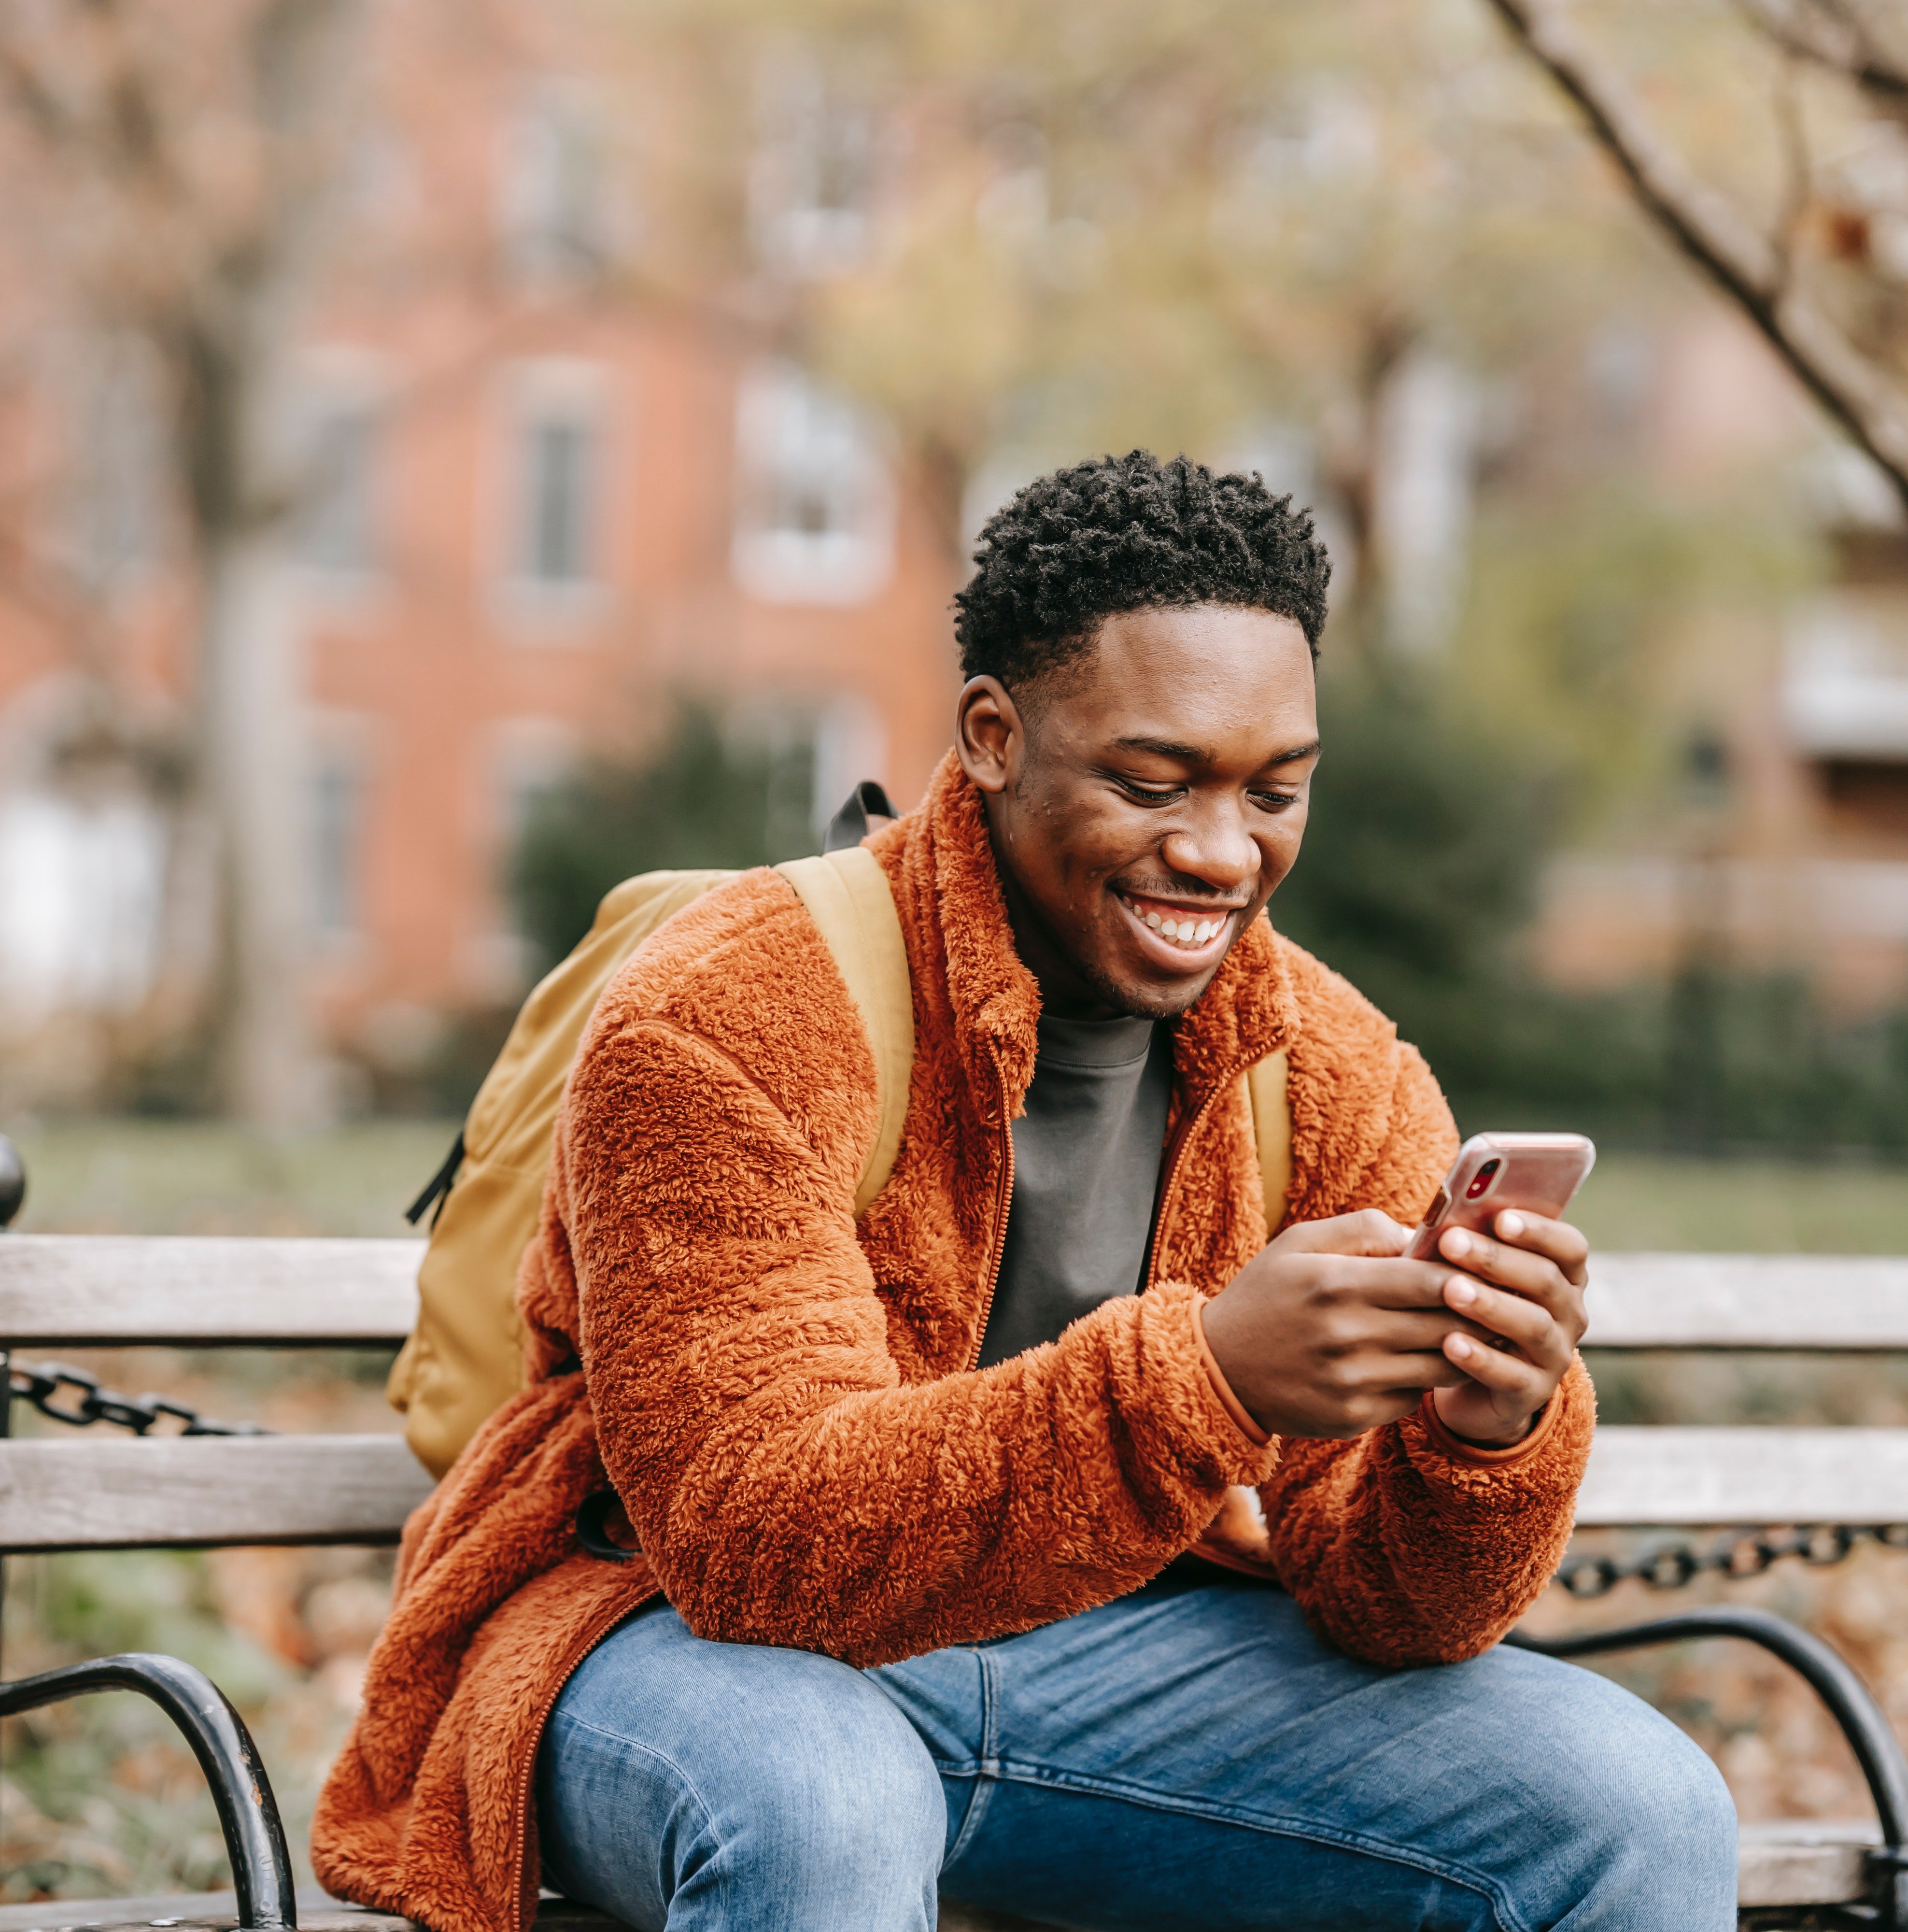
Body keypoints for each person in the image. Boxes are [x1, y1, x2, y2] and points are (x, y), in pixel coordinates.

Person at [316, 453, 1738, 1932]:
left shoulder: (1333, 1071)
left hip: (1110, 1671)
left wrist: (1481, 1430)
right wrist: (1203, 1376)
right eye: (1151, 779)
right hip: (670, 1647)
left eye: (1276, 790)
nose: (1219, 850)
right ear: (993, 738)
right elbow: (752, 1544)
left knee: (1632, 1810)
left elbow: (1397, 1608)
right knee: (826, 1804)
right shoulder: (729, 1007)